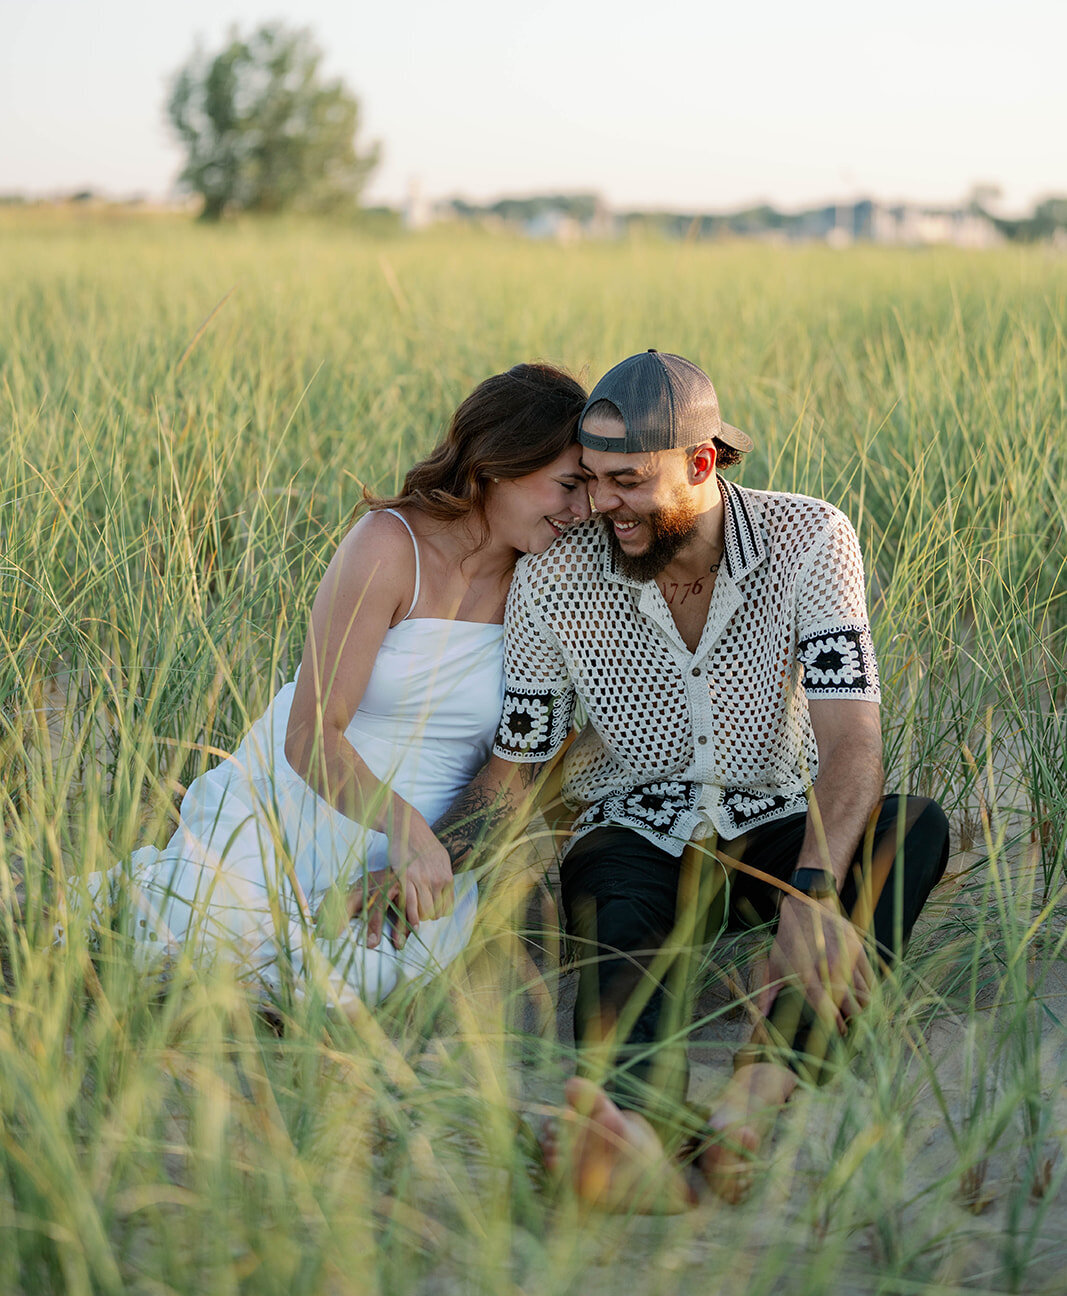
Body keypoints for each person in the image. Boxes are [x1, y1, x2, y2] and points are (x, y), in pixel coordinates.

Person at [401, 349, 950, 1207]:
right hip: (633, 829)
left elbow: (853, 744)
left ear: (701, 463)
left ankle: (755, 1096)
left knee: (911, 829)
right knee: (614, 911)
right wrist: (417, 860)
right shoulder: (556, 574)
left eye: (624, 482)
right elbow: (516, 764)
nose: (599, 506)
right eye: (587, 480)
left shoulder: (809, 538)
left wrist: (810, 895)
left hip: (775, 826)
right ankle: (634, 1127)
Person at [60, 363, 589, 1015]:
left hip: (436, 838)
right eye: (568, 486)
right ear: (497, 466)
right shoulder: (389, 548)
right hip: (312, 795)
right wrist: (399, 826)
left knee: (342, 982)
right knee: (190, 933)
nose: (581, 509)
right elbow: (311, 732)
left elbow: (514, 772)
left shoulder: (557, 583)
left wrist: (428, 856)